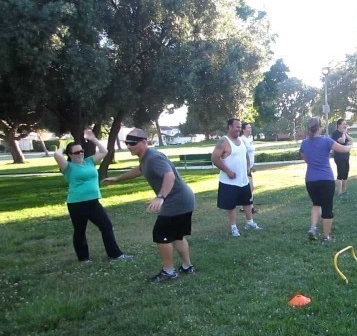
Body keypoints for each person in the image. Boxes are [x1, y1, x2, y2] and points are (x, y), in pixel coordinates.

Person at [102, 129, 195, 283]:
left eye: (133, 143)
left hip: (176, 201)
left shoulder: (153, 158)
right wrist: (117, 179)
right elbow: (139, 170)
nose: (129, 146)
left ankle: (169, 271)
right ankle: (187, 266)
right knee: (177, 235)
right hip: (182, 199)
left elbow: (169, 175)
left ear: (144, 142)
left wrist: (160, 197)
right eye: (127, 143)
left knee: (161, 235)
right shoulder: (146, 158)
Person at [54, 130, 132, 263]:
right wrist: (61, 145)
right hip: (77, 204)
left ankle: (115, 254)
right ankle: (84, 258)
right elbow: (57, 155)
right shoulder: (67, 167)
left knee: (106, 226)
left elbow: (104, 152)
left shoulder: (89, 161)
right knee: (80, 230)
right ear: (70, 155)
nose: (81, 154)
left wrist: (93, 139)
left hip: (93, 202)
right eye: (77, 152)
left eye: (82, 151)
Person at [300, 117, 352, 241]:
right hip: (326, 179)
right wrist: (350, 145)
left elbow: (304, 157)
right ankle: (326, 236)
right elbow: (343, 149)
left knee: (316, 204)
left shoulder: (304, 142)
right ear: (321, 127)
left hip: (310, 180)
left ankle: (313, 228)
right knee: (327, 208)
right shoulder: (326, 141)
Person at [212, 119, 262, 237]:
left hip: (243, 180)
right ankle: (233, 227)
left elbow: (245, 154)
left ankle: (250, 223)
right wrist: (228, 171)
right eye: (237, 127)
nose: (239, 129)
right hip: (229, 182)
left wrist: (248, 167)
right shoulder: (224, 141)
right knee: (231, 205)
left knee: (247, 202)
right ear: (230, 127)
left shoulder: (241, 140)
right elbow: (214, 158)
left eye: (240, 127)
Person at [331, 118, 353, 197]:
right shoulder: (335, 133)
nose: (345, 126)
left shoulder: (345, 133)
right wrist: (344, 133)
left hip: (346, 156)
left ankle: (344, 190)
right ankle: (339, 192)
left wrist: (346, 133)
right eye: (343, 124)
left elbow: (351, 140)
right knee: (340, 173)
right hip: (339, 156)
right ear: (339, 125)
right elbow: (343, 141)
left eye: (345, 124)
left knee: (346, 173)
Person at [240, 122, 258, 214]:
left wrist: (252, 165)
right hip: (244, 168)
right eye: (248, 128)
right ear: (243, 129)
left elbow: (251, 154)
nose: (250, 129)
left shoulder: (249, 139)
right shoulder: (241, 140)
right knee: (250, 187)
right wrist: (247, 167)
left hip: (249, 167)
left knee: (250, 188)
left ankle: (246, 207)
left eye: (250, 128)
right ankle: (248, 207)